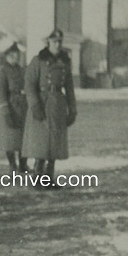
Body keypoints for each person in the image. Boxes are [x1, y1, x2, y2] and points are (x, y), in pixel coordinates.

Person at [23, 29, 77, 189]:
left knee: (54, 143)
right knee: (41, 143)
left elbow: (70, 87)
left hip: (58, 105)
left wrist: (72, 109)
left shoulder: (65, 62)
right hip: (42, 103)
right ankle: (37, 177)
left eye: (60, 41)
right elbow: (29, 85)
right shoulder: (38, 60)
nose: (58, 44)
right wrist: (35, 106)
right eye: (54, 42)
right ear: (48, 43)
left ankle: (48, 177)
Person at [0, 41, 28, 174]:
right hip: (11, 107)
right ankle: (12, 165)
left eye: (17, 54)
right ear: (7, 56)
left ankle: (23, 165)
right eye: (13, 54)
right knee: (10, 139)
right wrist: (5, 111)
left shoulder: (21, 70)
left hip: (23, 107)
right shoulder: (2, 72)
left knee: (23, 138)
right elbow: (0, 94)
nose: (16, 56)